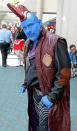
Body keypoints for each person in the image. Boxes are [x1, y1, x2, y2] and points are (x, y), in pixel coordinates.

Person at [7, 3, 71, 131]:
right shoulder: (28, 44)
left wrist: (52, 97)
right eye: (25, 28)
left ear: (40, 22)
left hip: (50, 96)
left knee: (47, 127)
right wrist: (25, 84)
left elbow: (65, 73)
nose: (28, 30)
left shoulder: (56, 42)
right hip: (35, 94)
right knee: (36, 124)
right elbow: (31, 68)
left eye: (31, 25)